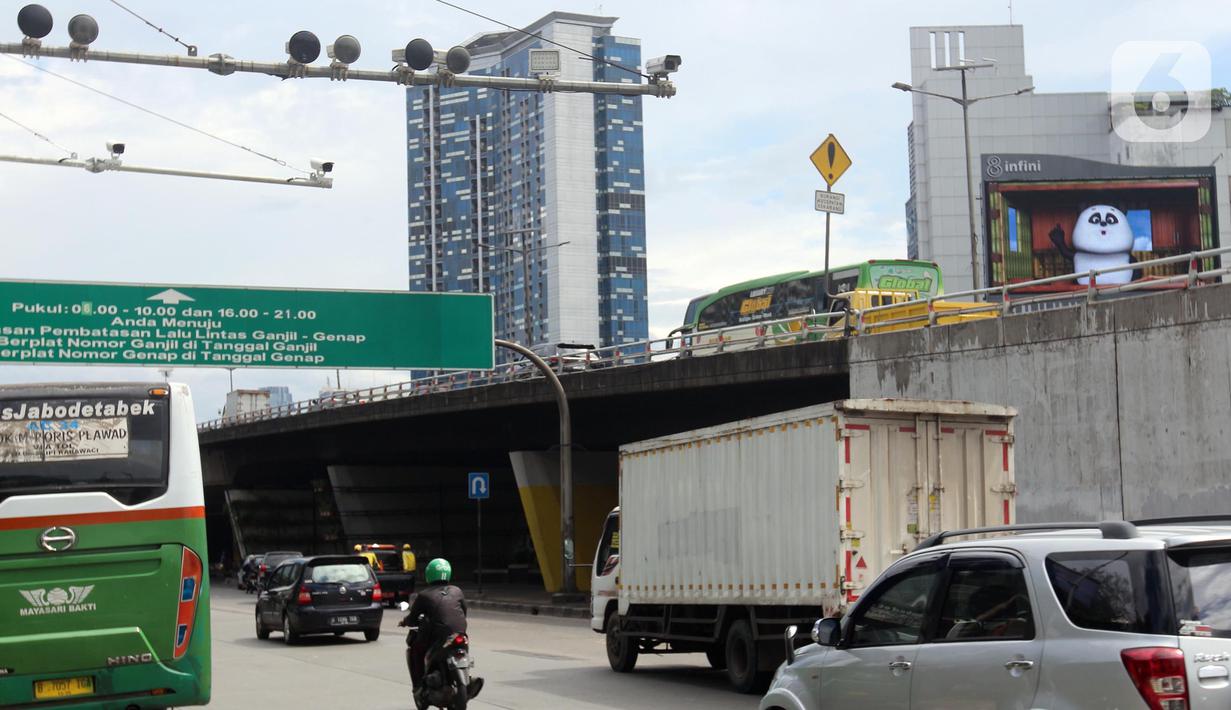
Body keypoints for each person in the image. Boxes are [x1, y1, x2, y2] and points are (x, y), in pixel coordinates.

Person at [399, 558, 481, 705]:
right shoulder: (457, 591)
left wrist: (404, 622)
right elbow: (464, 611)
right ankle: (467, 679)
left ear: (429, 574)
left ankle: (418, 687)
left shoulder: (424, 595)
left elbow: (412, 618)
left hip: (441, 639)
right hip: (460, 635)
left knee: (416, 649)